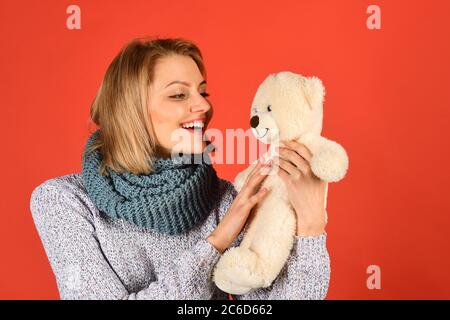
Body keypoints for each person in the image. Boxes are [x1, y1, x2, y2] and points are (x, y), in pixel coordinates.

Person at [29, 37, 330, 300]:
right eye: (178, 94)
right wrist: (216, 243)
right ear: (130, 110)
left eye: (203, 92)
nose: (203, 105)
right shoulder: (64, 201)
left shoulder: (229, 199)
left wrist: (312, 222)